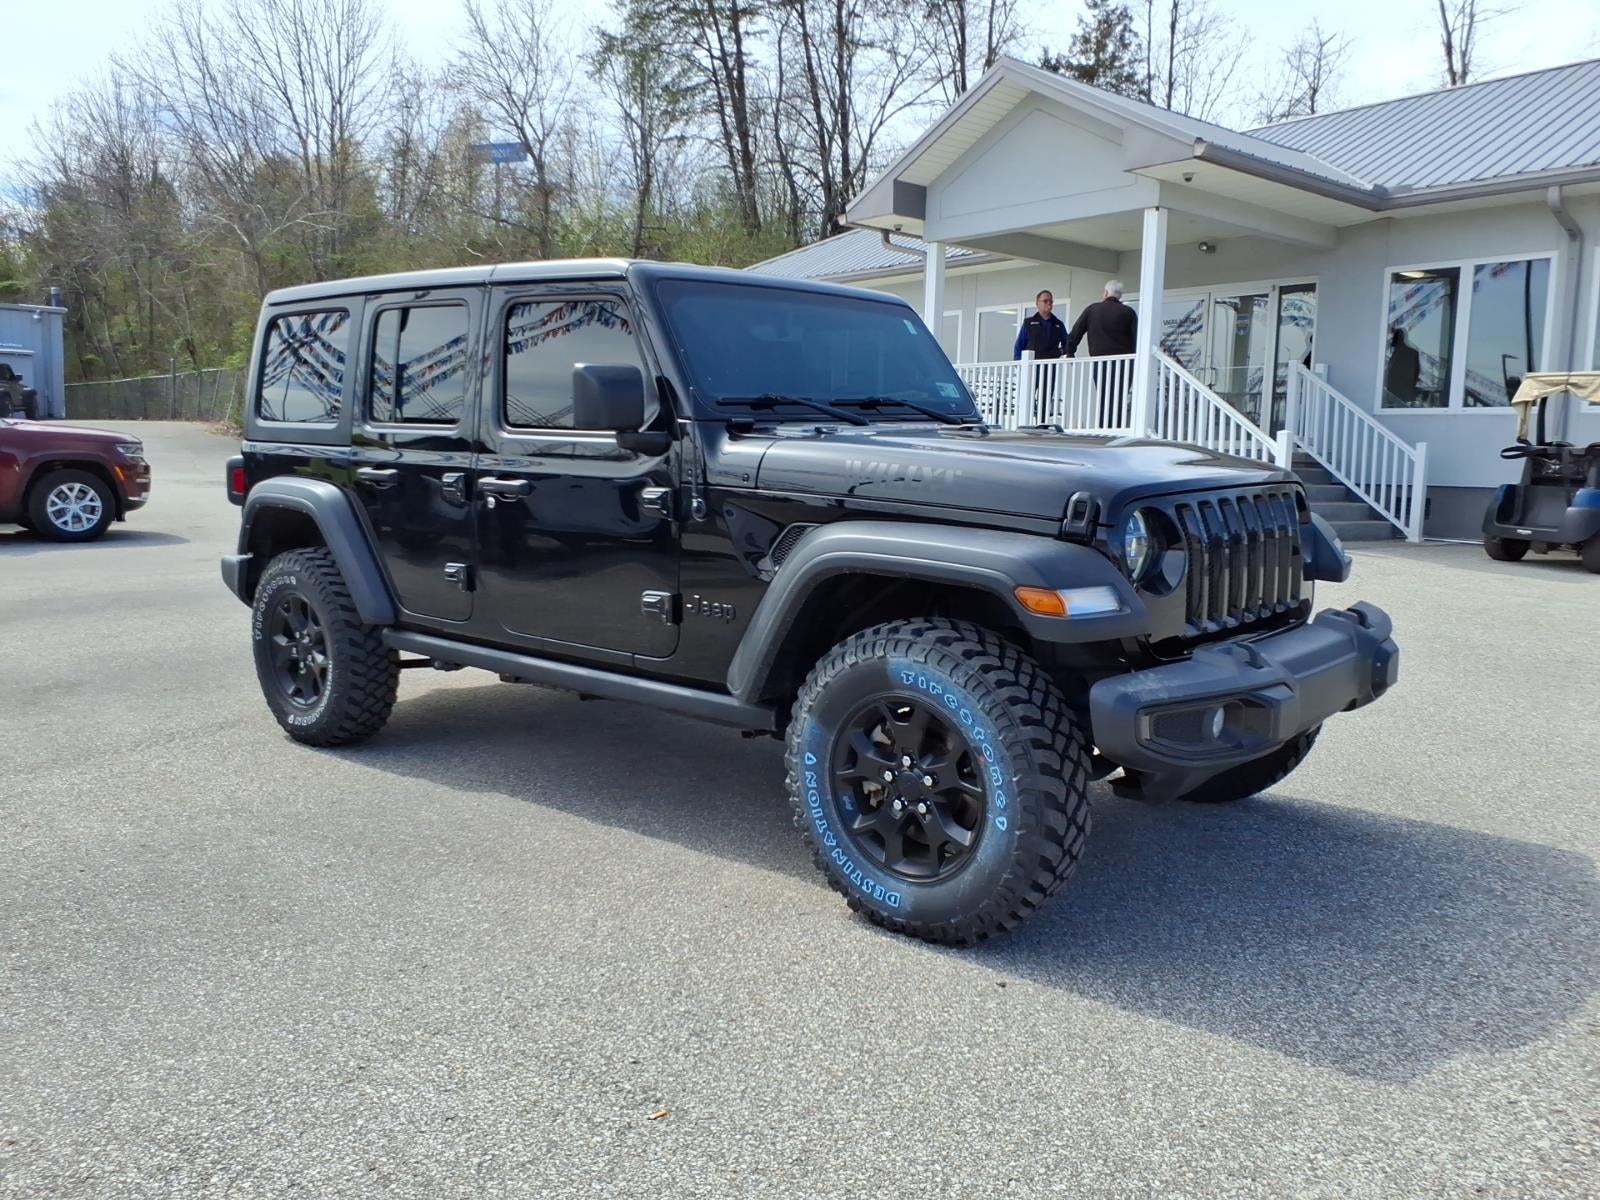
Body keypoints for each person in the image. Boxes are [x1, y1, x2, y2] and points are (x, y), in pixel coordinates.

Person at [1066, 280, 1138, 428]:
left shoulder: (1092, 310)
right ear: (1120, 296)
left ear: (1105, 293)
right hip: (1124, 363)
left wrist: (1069, 352)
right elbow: (1136, 338)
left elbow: (1076, 332)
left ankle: (1104, 428)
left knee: (1104, 396)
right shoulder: (1128, 312)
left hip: (1100, 362)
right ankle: (1116, 428)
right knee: (1119, 398)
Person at [1012, 290, 1069, 361]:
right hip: (1031, 366)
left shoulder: (1058, 324)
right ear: (1037, 303)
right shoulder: (1029, 323)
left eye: (1051, 301)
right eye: (1045, 301)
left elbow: (1067, 344)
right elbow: (1019, 345)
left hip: (1051, 367)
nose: (1049, 303)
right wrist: (1019, 365)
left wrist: (1059, 351)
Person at [1384, 327, 1421, 406]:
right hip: (1402, 394)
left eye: (1394, 337)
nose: (1392, 339)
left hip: (1399, 394)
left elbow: (1414, 374)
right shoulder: (1411, 353)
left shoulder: (1407, 353)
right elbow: (1416, 374)